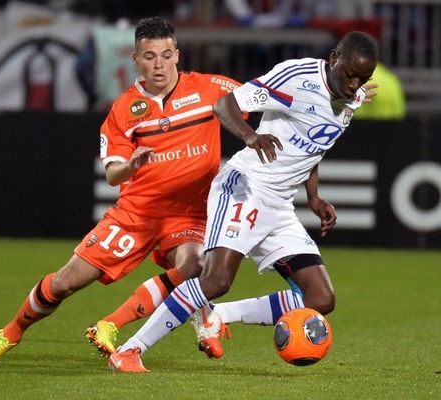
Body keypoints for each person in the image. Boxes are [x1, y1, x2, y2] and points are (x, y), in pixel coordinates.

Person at [0, 16, 272, 363]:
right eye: (149, 56)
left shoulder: (211, 88)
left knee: (194, 265)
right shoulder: (124, 108)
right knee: (65, 283)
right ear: (136, 59)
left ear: (177, 54)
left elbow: (266, 99)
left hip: (187, 213)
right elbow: (113, 174)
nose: (158, 64)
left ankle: (112, 324)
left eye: (165, 54)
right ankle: (11, 333)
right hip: (136, 213)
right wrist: (132, 166)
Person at [108, 30, 379, 372]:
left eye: (363, 79)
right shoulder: (298, 77)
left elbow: (313, 144)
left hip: (279, 205)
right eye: (350, 74)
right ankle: (130, 351)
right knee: (216, 280)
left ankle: (218, 315)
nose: (354, 85)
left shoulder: (351, 98)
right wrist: (251, 136)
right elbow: (224, 105)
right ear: (334, 57)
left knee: (320, 300)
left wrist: (313, 196)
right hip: (245, 187)